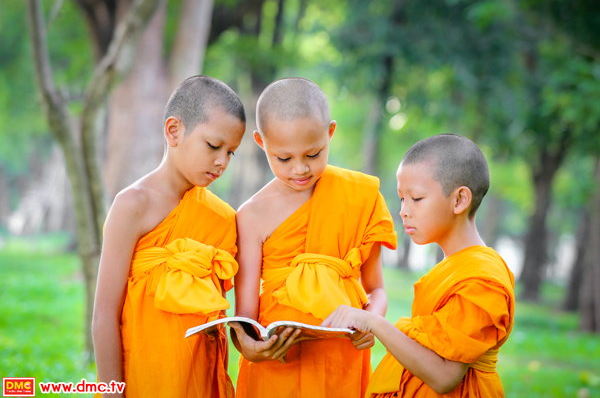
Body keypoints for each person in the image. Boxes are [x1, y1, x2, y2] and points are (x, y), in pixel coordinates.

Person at [231, 77, 397, 398]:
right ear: (261, 142)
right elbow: (246, 315)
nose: (300, 169)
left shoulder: (360, 195)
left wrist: (372, 321)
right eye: (284, 158)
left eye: (313, 153)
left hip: (341, 358)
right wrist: (249, 347)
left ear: (330, 132)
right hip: (278, 364)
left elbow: (376, 288)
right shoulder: (252, 215)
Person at [322, 134, 515, 398]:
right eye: (402, 199)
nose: (403, 210)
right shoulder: (455, 265)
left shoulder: (481, 279)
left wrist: (374, 323)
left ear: (459, 200)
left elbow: (445, 377)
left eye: (416, 199)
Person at [92, 75, 246, 398]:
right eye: (214, 146)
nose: (222, 161)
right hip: (142, 378)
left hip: (199, 379)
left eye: (231, 152)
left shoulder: (223, 218)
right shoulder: (132, 205)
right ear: (174, 131)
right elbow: (105, 316)